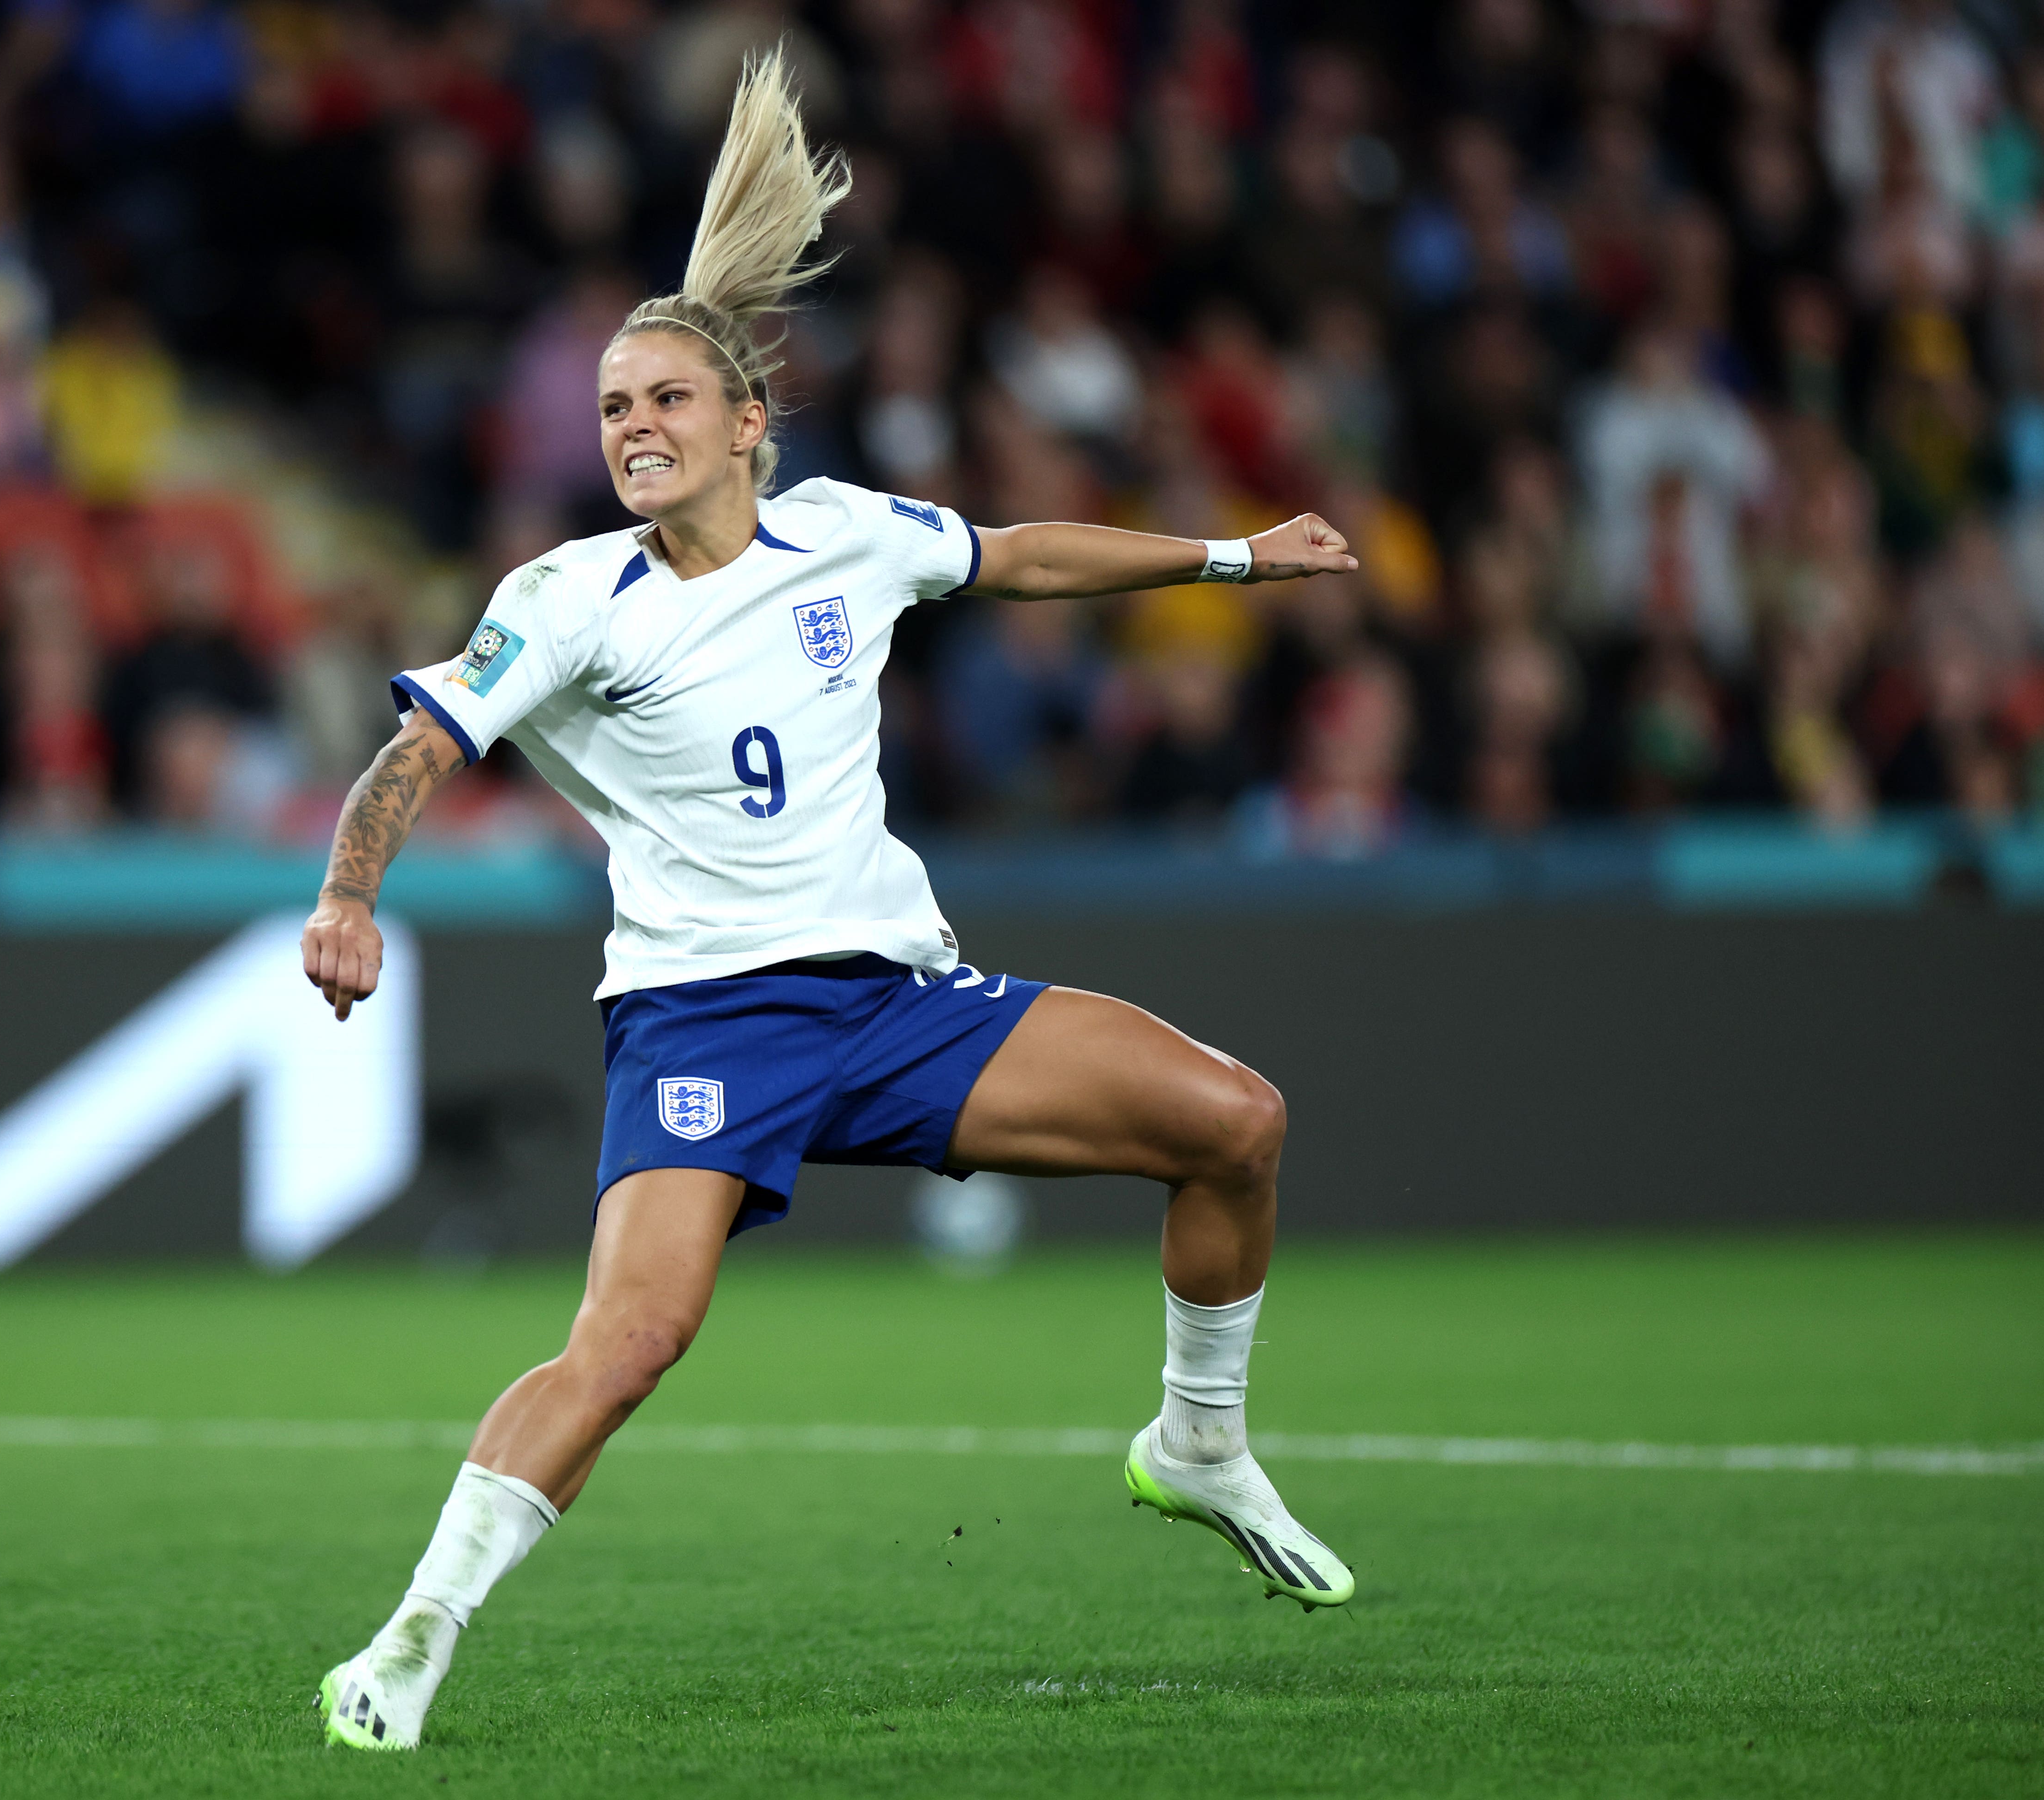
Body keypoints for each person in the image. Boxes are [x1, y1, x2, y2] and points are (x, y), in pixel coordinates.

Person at [299, 51, 1361, 1754]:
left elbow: (1016, 554)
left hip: (900, 1003)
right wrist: (352, 896)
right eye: (611, 410)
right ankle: (414, 1638)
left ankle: (1201, 1446)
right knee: (631, 1343)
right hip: (707, 1019)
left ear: (743, 426)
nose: (632, 429)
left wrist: (1232, 558)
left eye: (661, 402)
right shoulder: (568, 600)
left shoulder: (846, 537)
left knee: (1237, 1121)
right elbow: (411, 753)